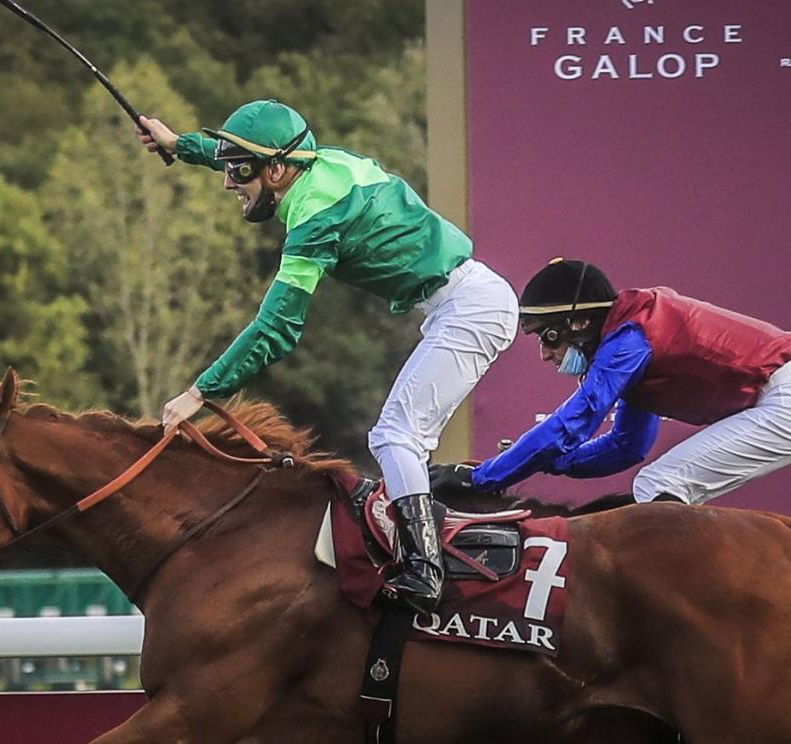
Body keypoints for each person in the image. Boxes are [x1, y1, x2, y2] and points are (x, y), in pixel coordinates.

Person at [134, 100, 518, 613]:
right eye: (228, 166)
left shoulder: (316, 221)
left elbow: (277, 328)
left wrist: (200, 391)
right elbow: (248, 158)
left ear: (276, 170)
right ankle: (436, 524)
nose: (229, 182)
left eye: (239, 171)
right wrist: (180, 145)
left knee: (394, 436)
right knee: (403, 440)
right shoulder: (318, 163)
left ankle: (426, 572)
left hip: (470, 308)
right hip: (467, 302)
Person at [430, 258, 791, 505]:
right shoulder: (631, 343)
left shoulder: (628, 342)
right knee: (660, 484)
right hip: (785, 402)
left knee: (661, 483)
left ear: (580, 321)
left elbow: (576, 422)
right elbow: (627, 446)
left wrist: (485, 477)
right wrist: (549, 464)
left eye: (548, 336)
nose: (545, 354)